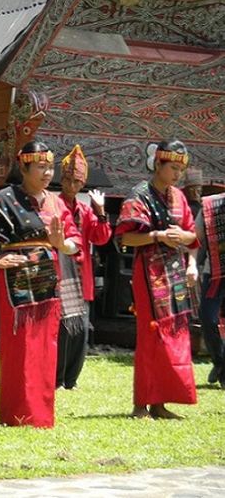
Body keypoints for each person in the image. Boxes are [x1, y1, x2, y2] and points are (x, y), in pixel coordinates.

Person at [0, 141, 81, 428]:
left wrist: (61, 244)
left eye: (49, 167)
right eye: (40, 167)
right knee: (19, 348)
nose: (46, 173)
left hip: (48, 283)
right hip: (16, 282)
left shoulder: (57, 202)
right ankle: (17, 413)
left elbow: (75, 243)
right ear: (24, 168)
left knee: (46, 347)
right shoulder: (3, 200)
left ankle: (41, 414)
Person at [115, 139, 198, 419]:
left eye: (180, 169)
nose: (177, 174)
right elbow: (125, 237)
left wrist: (183, 242)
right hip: (149, 273)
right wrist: (156, 236)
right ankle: (141, 404)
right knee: (151, 335)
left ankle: (161, 403)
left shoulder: (179, 197)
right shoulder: (139, 195)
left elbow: (191, 235)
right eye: (172, 167)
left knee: (173, 334)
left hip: (174, 271)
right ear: (158, 165)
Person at [55, 145, 112, 389]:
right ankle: (57, 378)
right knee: (61, 331)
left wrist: (101, 213)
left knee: (80, 331)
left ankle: (71, 379)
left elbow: (101, 238)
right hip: (60, 275)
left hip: (82, 276)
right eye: (68, 180)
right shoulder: (53, 204)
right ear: (62, 179)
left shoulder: (86, 209)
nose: (73, 186)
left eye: (78, 182)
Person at [195, 189, 225, 389]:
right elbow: (195, 239)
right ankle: (219, 361)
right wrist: (192, 266)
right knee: (208, 318)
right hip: (214, 272)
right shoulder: (211, 207)